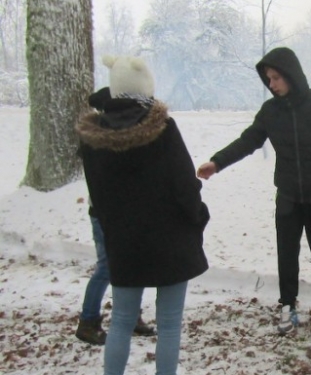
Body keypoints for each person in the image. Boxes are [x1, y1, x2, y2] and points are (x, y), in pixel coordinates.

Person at [197, 47, 311, 335]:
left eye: (277, 77)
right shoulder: (270, 112)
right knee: (287, 252)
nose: (272, 84)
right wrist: (217, 162)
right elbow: (249, 140)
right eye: (269, 79)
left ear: (291, 74)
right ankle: (287, 305)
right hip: (288, 196)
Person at [76, 55, 209, 375]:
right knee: (169, 324)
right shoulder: (162, 127)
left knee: (121, 320)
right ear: (145, 87)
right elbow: (184, 184)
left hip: (124, 241)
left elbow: (99, 197)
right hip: (171, 239)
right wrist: (198, 217)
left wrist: (114, 230)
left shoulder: (92, 137)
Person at [75, 87, 155, 346]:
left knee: (134, 263)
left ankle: (131, 316)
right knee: (107, 268)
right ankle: (88, 321)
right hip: (104, 213)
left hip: (127, 212)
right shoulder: (100, 135)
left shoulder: (122, 129)